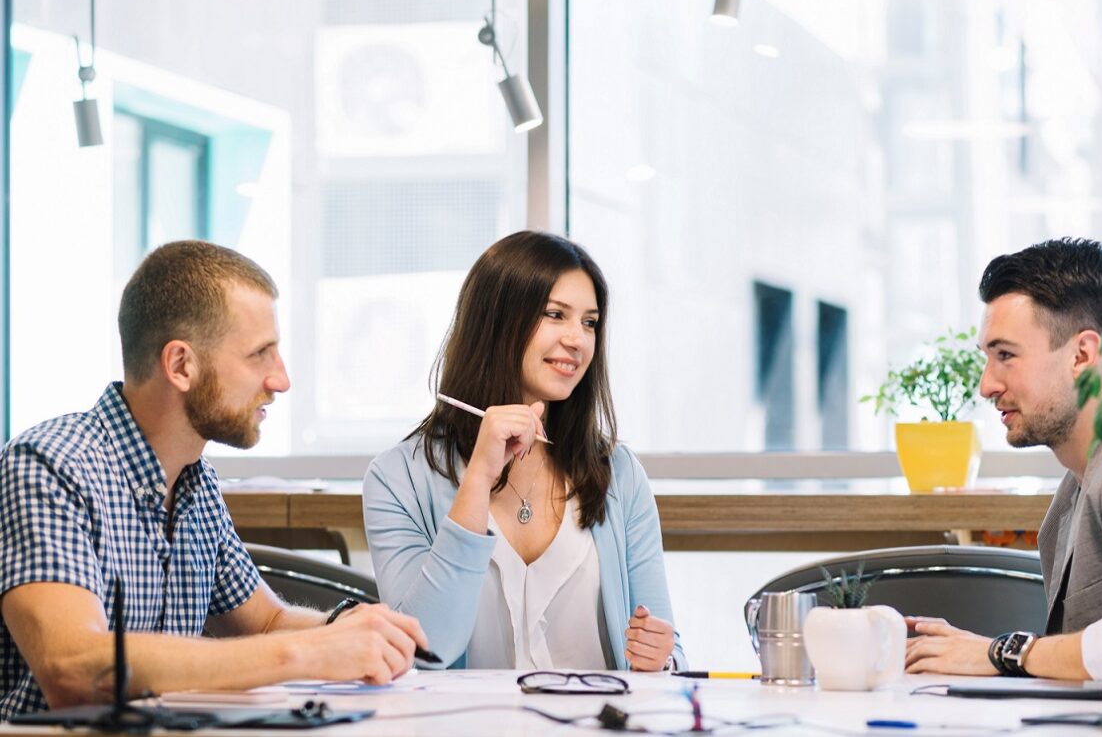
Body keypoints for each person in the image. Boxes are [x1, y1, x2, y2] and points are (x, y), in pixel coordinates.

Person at [0, 241, 428, 720]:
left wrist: (349, 627)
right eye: (259, 354)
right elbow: (75, 670)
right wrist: (314, 653)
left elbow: (264, 623)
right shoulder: (49, 465)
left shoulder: (195, 483)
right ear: (181, 365)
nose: (281, 380)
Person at [363, 231, 685, 671]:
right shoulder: (397, 479)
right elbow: (425, 650)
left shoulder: (620, 475)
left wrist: (660, 659)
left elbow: (670, 654)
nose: (578, 339)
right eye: (556, 315)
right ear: (496, 322)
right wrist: (478, 475)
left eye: (589, 322)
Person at [905, 237, 1102, 680]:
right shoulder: (1079, 481)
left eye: (1006, 356)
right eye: (988, 358)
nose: (986, 385)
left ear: (1082, 355)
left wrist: (1002, 654)